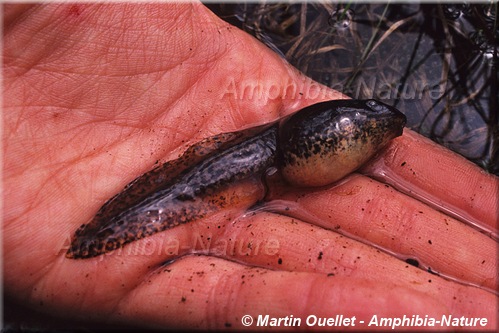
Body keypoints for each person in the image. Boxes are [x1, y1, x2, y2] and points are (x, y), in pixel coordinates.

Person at [3, 3, 497, 330]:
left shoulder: (353, 130)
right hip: (272, 151)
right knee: (184, 189)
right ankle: (98, 236)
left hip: (275, 150)